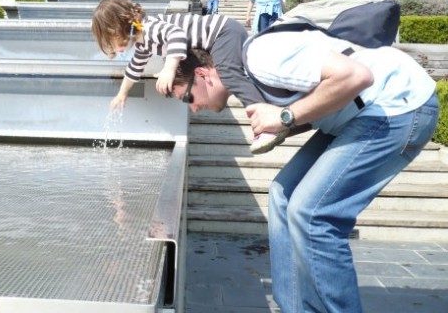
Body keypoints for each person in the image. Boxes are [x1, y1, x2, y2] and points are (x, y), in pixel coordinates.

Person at [170, 36, 438, 312]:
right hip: (356, 115)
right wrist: (282, 123)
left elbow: (357, 75)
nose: (192, 108)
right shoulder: (249, 82)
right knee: (282, 195)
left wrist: (285, 117)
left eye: (188, 97)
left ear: (202, 74)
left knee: (312, 213)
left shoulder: (259, 57)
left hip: (398, 106)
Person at [91, 0, 287, 153]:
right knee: (233, 76)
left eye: (111, 42)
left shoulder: (150, 28)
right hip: (221, 35)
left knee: (229, 75)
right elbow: (135, 67)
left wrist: (169, 68)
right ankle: (275, 106)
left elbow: (176, 35)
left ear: (118, 28)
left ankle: (266, 122)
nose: (117, 50)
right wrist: (122, 93)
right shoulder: (144, 41)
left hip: (223, 32)